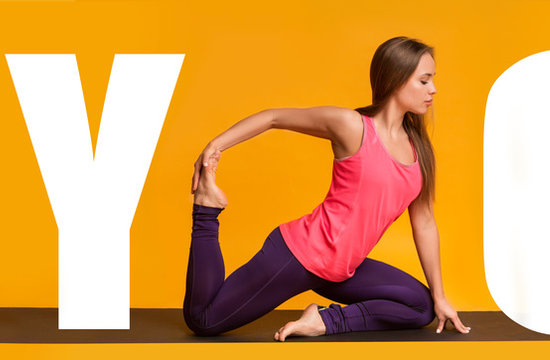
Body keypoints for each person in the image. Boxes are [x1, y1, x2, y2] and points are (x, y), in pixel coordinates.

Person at [184, 36, 470, 341]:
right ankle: (206, 209)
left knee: (420, 307)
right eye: (424, 80)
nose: (433, 90)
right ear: (396, 79)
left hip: (343, 270)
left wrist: (440, 296)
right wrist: (215, 146)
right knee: (204, 320)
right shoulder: (352, 126)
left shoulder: (419, 150)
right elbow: (274, 117)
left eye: (433, 80)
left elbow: (424, 222)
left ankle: (322, 321)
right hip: (299, 255)